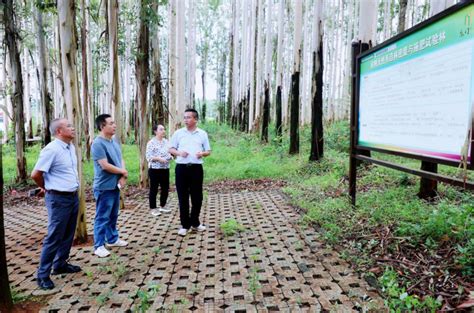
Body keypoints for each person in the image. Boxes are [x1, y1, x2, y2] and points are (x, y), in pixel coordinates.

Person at [31, 118, 82, 290]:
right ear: (59, 131)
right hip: (58, 198)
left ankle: (60, 264)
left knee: (68, 233)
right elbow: (36, 174)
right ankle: (42, 275)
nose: (73, 128)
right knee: (54, 237)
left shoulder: (70, 147)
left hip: (72, 196)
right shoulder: (51, 150)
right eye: (69, 126)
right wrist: (46, 188)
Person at [169, 108, 211, 236]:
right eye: (185, 117)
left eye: (188, 117)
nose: (186, 120)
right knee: (183, 197)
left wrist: (202, 153)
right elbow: (170, 149)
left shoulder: (202, 134)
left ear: (195, 119)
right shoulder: (178, 133)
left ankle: (196, 222)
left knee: (197, 196)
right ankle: (185, 225)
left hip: (196, 168)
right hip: (181, 168)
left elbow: (208, 151)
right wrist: (179, 153)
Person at [91, 114, 128, 258]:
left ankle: (112, 239)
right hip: (104, 186)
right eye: (111, 123)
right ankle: (99, 245)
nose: (114, 125)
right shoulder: (98, 144)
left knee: (113, 214)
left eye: (114, 123)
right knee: (102, 216)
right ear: (102, 126)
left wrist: (123, 175)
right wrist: (123, 172)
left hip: (115, 185)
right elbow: (105, 165)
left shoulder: (114, 141)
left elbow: (120, 159)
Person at [146, 124, 173, 216]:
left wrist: (169, 157)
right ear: (155, 131)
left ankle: (163, 206)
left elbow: (171, 153)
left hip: (165, 168)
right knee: (154, 189)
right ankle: (153, 208)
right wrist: (158, 158)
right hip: (154, 169)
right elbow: (148, 157)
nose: (163, 131)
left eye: (164, 129)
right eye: (161, 129)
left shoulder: (166, 142)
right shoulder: (151, 143)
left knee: (165, 188)